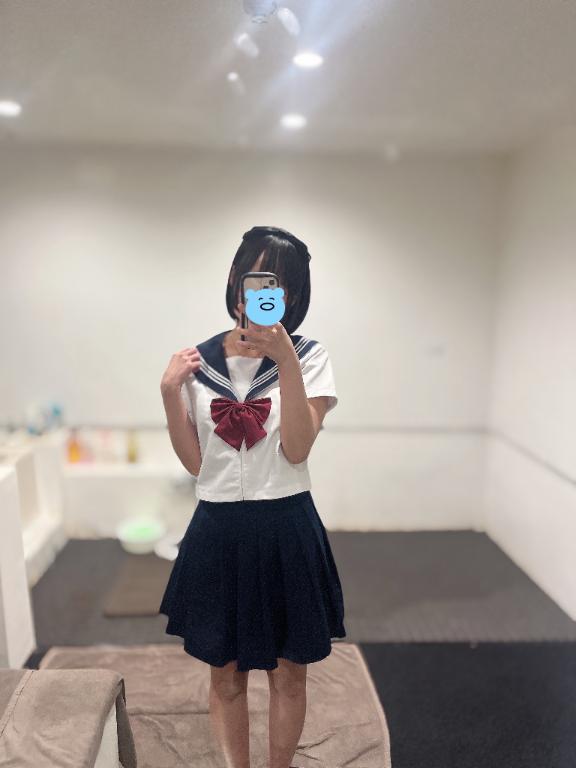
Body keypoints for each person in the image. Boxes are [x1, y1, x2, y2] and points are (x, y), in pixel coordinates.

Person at [158, 225, 346, 768]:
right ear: (235, 279)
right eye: (257, 277)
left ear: (294, 294)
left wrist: (285, 361)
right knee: (225, 674)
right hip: (218, 529)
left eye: (280, 283)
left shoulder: (310, 357)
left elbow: (297, 448)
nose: (264, 291)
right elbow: (197, 465)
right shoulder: (197, 363)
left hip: (287, 525)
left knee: (289, 673)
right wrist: (169, 393)